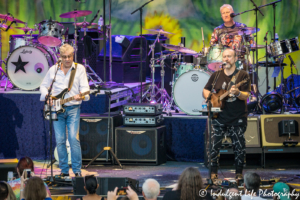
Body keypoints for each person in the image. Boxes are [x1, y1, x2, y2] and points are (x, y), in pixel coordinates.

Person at [40, 44, 90, 177]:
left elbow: (86, 89)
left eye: (70, 56)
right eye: (64, 57)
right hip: (56, 108)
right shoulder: (53, 69)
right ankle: (64, 171)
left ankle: (77, 171)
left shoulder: (79, 69)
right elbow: (44, 86)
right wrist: (47, 97)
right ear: (60, 57)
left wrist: (82, 95)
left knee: (73, 139)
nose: (67, 59)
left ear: (73, 55)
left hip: (73, 107)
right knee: (60, 140)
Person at [203, 48, 251, 182]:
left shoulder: (243, 75)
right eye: (224, 56)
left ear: (235, 59)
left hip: (237, 117)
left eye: (229, 56)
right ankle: (213, 174)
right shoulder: (216, 75)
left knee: (239, 147)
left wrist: (237, 93)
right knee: (214, 146)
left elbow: (246, 95)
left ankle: (238, 174)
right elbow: (205, 90)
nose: (226, 59)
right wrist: (212, 98)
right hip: (219, 117)